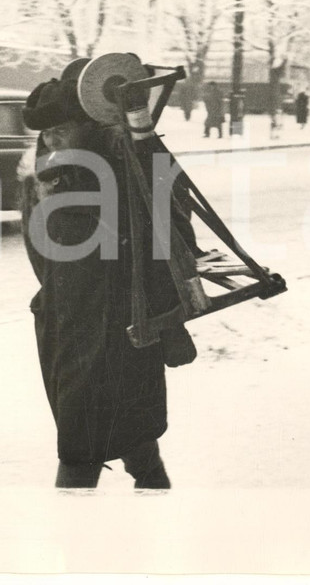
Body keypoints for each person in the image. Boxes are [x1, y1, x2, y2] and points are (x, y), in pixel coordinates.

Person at [18, 58, 199, 490]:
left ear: (91, 122)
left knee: (87, 447)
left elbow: (175, 219)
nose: (50, 137)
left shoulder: (127, 159)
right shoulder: (46, 175)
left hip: (120, 324)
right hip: (72, 323)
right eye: (45, 130)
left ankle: (81, 541)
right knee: (117, 434)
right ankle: (149, 494)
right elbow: (41, 251)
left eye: (61, 126)